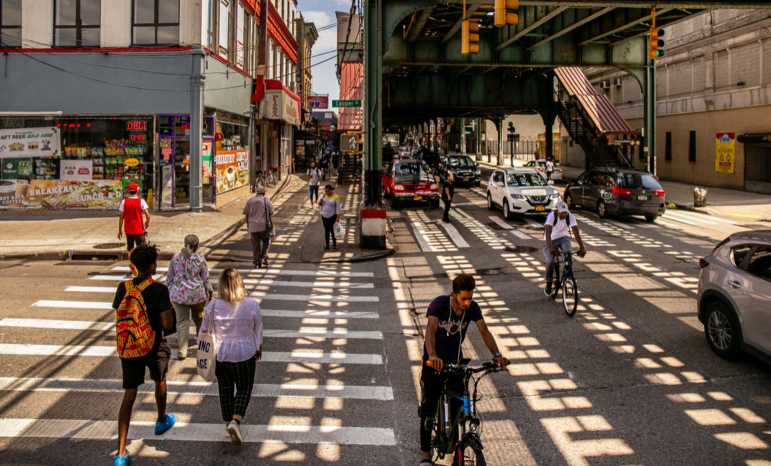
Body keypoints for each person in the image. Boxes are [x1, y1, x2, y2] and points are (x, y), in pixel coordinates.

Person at [419, 274, 508, 466]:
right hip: (434, 364)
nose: (468, 302)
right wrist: (432, 355)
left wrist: (496, 354)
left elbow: (484, 331)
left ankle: (458, 445)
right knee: (428, 410)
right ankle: (426, 457)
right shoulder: (439, 305)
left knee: (459, 407)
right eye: (463, 299)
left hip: (456, 363)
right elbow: (430, 329)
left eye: (470, 297)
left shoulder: (472, 308)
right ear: (453, 294)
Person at [112, 244, 175, 466]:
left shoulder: (123, 287)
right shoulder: (159, 290)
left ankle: (121, 453)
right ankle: (160, 420)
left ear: (134, 265)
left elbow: (120, 313)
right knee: (160, 381)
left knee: (129, 396)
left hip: (129, 347)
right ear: (152, 265)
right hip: (153, 344)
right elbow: (167, 324)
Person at [198, 268, 263, 446]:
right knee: (244, 387)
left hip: (220, 354)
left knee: (225, 388)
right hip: (245, 353)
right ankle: (235, 420)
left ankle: (228, 423)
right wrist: (258, 346)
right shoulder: (251, 304)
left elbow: (204, 330)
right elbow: (258, 327)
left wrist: (201, 347)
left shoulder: (213, 306)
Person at [166, 234, 212, 360]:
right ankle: (200, 345)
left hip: (178, 296)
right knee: (199, 320)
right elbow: (205, 279)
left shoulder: (175, 257)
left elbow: (169, 277)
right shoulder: (200, 258)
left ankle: (182, 351)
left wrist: (168, 292)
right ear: (197, 246)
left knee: (182, 322)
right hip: (197, 296)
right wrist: (210, 293)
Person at [543, 202, 587, 296]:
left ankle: (569, 274)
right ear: (557, 211)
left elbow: (576, 233)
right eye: (561, 213)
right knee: (550, 261)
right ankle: (549, 284)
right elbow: (547, 233)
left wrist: (582, 247)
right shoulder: (551, 216)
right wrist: (550, 248)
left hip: (563, 237)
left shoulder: (570, 216)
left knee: (567, 251)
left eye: (565, 213)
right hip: (551, 239)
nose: (563, 215)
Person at [243, 187, 275, 268]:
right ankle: (264, 257)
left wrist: (248, 224)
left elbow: (246, 214)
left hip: (253, 226)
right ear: (264, 193)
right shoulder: (266, 200)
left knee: (255, 244)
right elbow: (272, 212)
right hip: (263, 225)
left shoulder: (250, 201)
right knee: (266, 240)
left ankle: (257, 261)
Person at [118, 184, 150, 251]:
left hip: (128, 229)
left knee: (130, 248)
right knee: (142, 249)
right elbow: (148, 215)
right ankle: (140, 261)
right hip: (138, 230)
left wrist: (120, 230)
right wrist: (147, 222)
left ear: (129, 191)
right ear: (137, 191)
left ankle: (131, 261)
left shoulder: (124, 202)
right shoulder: (141, 201)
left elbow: (121, 218)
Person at [318, 184, 341, 251]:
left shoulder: (336, 197)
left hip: (332, 216)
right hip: (324, 215)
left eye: (328, 191)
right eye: (325, 191)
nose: (326, 192)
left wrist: (337, 218)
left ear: (331, 190)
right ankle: (327, 245)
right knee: (326, 230)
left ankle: (334, 245)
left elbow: (337, 208)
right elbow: (319, 204)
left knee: (332, 230)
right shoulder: (324, 196)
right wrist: (320, 201)